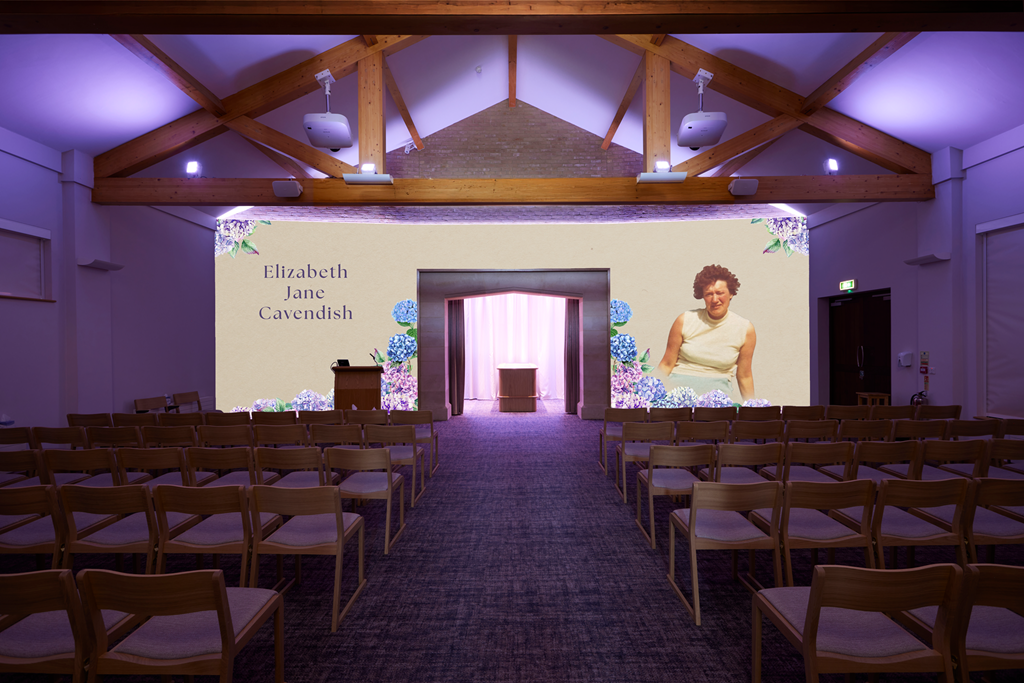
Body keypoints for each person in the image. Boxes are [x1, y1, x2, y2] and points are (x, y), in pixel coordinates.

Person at [657, 264, 756, 401]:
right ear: (702, 296)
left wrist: (753, 410)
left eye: (720, 293)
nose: (715, 300)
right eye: (709, 294)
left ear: (731, 293)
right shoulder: (685, 320)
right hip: (676, 400)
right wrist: (650, 400)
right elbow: (666, 364)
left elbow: (744, 376)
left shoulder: (745, 329)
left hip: (717, 404)